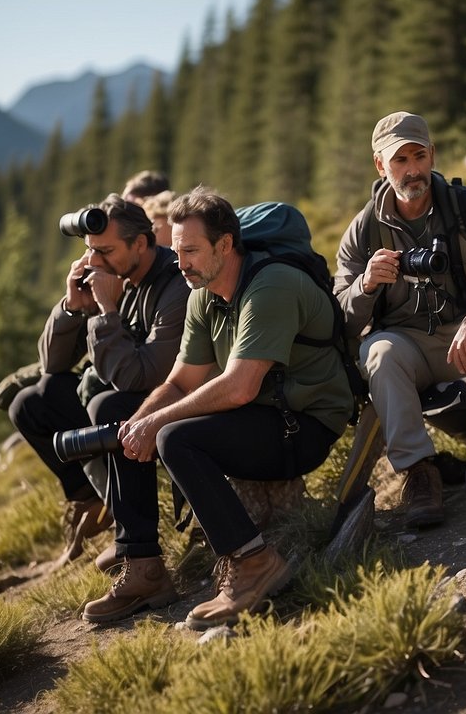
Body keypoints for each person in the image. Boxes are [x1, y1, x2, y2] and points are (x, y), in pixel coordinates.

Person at [82, 186, 353, 627]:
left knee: (174, 436)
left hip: (306, 425)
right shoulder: (202, 296)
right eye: (177, 249)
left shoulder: (270, 285)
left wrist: (157, 423)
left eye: (190, 250)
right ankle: (144, 566)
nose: (179, 262)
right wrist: (136, 424)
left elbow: (240, 386)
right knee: (129, 420)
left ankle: (253, 563)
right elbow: (180, 381)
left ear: (224, 245)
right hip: (264, 415)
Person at [334, 111, 466, 529]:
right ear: (380, 165)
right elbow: (340, 319)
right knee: (379, 352)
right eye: (400, 160)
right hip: (415, 347)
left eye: (419, 156)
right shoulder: (363, 232)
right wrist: (365, 285)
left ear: (432, 155)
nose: (412, 169)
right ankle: (419, 474)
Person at [8, 194, 189, 568]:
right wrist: (72, 307)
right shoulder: (113, 276)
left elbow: (142, 377)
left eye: (105, 251)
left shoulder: (174, 286)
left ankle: (133, 539)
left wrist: (107, 311)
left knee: (105, 405)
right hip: (124, 390)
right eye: (90, 251)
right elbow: (52, 363)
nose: (94, 262)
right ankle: (102, 502)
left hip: (167, 400)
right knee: (31, 402)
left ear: (140, 243)